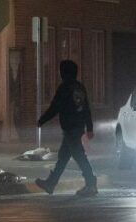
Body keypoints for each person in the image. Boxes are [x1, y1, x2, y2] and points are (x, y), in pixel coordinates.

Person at [35, 59, 97, 196]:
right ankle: (51, 183)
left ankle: (91, 183)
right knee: (63, 157)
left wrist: (42, 120)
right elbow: (86, 109)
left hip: (70, 129)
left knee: (80, 156)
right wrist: (89, 127)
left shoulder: (64, 88)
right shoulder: (79, 87)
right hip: (78, 127)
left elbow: (55, 107)